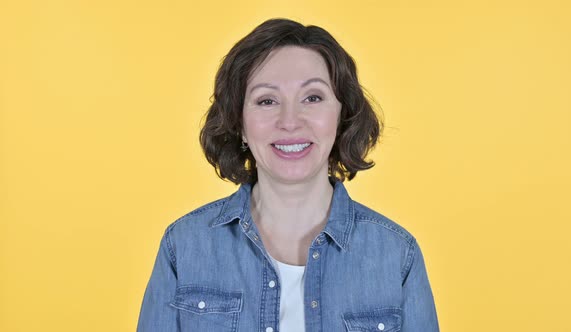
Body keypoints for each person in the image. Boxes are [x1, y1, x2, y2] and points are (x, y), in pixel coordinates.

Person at [137, 18, 439, 332]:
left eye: (313, 98)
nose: (290, 121)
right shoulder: (184, 245)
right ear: (239, 122)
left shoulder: (397, 255)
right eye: (267, 101)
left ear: (342, 115)